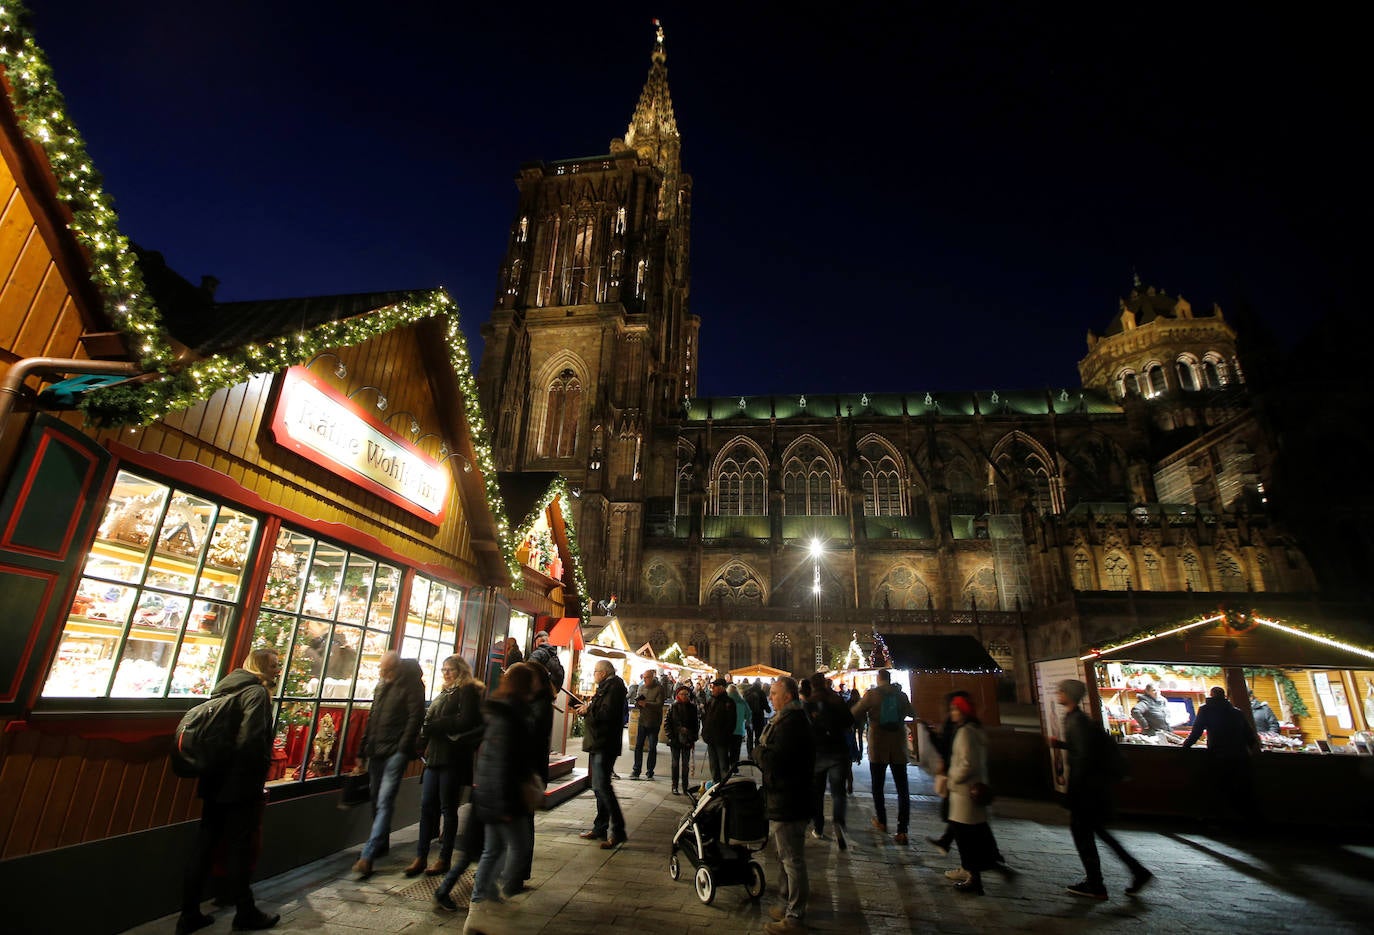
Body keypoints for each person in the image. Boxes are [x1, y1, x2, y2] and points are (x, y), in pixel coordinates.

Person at [177, 648, 281, 935]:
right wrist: (258, 774)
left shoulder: (224, 689)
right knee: (239, 847)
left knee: (205, 845)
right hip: (239, 784)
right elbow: (251, 741)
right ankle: (245, 912)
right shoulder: (256, 694)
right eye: (273, 665)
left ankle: (189, 913)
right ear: (260, 667)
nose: (277, 670)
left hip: (213, 779)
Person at [1053, 679, 1152, 899]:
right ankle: (1136, 871)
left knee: (1084, 835)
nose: (1057, 693)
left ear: (1068, 695)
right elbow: (1083, 749)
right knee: (1099, 833)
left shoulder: (1077, 721)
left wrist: (1072, 794)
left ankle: (1097, 885)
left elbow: (1084, 758)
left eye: (1060, 691)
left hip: (1087, 791)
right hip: (1092, 790)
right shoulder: (1077, 719)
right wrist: (1061, 745)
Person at [462, 662, 540, 934]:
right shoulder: (510, 714)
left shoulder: (504, 709)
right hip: (501, 795)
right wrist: (505, 802)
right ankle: (485, 903)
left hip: (494, 792)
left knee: (494, 849)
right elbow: (501, 761)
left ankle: (485, 905)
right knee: (515, 847)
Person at [409, 655, 483, 877]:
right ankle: (421, 856)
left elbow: (466, 721)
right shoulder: (445, 691)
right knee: (426, 805)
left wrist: (436, 726)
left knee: (448, 809)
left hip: (452, 757)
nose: (446, 673)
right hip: (434, 757)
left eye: (450, 669)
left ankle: (444, 858)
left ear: (460, 670)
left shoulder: (467, 691)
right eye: (444, 669)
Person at [353, 653, 426, 878]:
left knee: (384, 800)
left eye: (386, 670)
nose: (382, 674)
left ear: (397, 668)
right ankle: (381, 842)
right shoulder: (382, 685)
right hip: (376, 750)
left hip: (395, 751)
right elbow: (373, 716)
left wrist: (402, 748)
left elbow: (416, 718)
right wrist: (362, 749)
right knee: (377, 798)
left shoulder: (412, 685)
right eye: (381, 670)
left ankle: (368, 854)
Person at [757, 677, 816, 935]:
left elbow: (776, 760)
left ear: (788, 696)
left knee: (792, 859)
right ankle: (786, 903)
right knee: (785, 856)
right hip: (787, 796)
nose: (770, 697)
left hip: (790, 797)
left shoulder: (791, 724)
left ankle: (795, 916)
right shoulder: (789, 720)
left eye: (773, 693)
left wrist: (759, 753)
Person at [851, 668, 915, 844]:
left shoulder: (872, 694)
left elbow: (855, 712)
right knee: (903, 789)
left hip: (878, 745)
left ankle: (882, 821)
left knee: (877, 786)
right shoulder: (901, 695)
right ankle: (902, 830)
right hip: (898, 746)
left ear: (878, 679)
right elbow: (912, 713)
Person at [942, 693, 997, 896]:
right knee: (970, 836)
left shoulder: (965, 733)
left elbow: (966, 763)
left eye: (955, 710)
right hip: (971, 791)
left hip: (964, 792)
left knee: (966, 838)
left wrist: (952, 778)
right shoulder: (974, 730)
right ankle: (977, 874)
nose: (952, 713)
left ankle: (975, 878)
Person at [1182, 685, 1260, 823]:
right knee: (1242, 790)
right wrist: (1251, 752)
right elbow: (1250, 736)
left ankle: (1219, 821)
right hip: (1240, 756)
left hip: (1218, 755)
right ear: (1225, 696)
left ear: (1211, 696)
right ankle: (1248, 822)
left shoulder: (1206, 710)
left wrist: (1185, 746)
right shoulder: (1237, 712)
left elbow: (1197, 732)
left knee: (1218, 789)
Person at [573, 659, 628, 847]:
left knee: (602, 786)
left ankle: (618, 829)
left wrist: (589, 709)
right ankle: (600, 827)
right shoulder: (607, 686)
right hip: (599, 742)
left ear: (603, 673)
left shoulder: (614, 687)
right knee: (599, 787)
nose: (594, 674)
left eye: (595, 671)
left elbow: (607, 714)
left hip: (605, 743)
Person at [511, 659, 556, 891]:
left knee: (522, 822)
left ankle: (517, 873)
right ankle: (515, 871)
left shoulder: (539, 705)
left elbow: (529, 736)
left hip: (528, 771)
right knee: (521, 822)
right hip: (528, 770)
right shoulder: (537, 702)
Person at [805, 672, 855, 850]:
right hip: (837, 751)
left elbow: (805, 729)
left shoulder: (809, 703)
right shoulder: (836, 700)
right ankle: (839, 821)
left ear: (812, 685)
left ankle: (818, 828)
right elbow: (850, 721)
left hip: (817, 753)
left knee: (817, 793)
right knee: (838, 793)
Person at [630, 668, 666, 780]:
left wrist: (646, 704)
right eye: (643, 677)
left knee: (652, 747)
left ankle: (650, 771)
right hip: (642, 720)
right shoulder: (641, 687)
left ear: (652, 677)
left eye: (647, 677)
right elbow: (639, 702)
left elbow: (659, 704)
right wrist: (638, 703)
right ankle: (636, 770)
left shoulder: (659, 688)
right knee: (638, 746)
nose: (644, 679)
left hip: (654, 722)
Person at [702, 676, 738, 783]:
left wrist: (725, 736)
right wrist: (705, 732)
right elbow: (706, 718)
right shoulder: (711, 700)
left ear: (722, 688)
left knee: (723, 765)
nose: (712, 689)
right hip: (711, 738)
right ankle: (715, 785)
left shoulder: (728, 702)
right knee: (713, 765)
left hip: (721, 740)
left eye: (715, 687)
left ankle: (724, 787)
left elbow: (731, 722)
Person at [665, 685, 699, 794]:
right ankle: (674, 786)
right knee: (675, 764)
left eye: (686, 694)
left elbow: (696, 724)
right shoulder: (673, 707)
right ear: (678, 695)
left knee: (685, 764)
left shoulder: (693, 708)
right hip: (675, 739)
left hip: (687, 739)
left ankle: (685, 786)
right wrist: (670, 735)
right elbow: (667, 723)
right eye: (682, 694)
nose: (684, 696)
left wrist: (693, 736)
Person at [727, 681, 751, 772]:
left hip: (727, 729)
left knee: (728, 748)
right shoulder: (742, 702)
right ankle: (734, 765)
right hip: (739, 729)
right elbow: (748, 714)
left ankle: (728, 765)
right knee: (736, 749)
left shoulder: (726, 701)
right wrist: (747, 721)